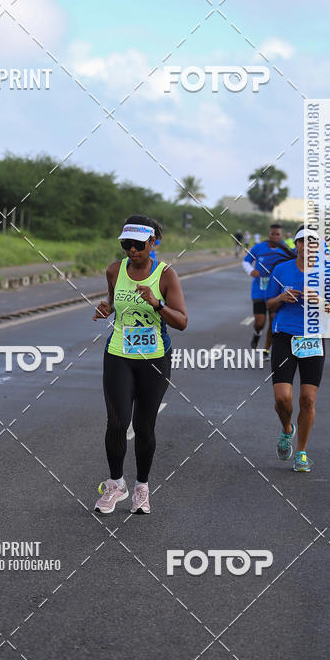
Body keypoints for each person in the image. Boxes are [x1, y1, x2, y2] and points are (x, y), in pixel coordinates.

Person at [92, 215, 188, 514]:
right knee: (117, 422)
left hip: (154, 358)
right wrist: (106, 308)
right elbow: (114, 303)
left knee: (144, 427)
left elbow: (182, 321)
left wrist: (156, 304)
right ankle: (115, 484)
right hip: (119, 354)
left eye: (137, 244)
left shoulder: (165, 275)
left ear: (152, 243)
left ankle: (142, 488)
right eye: (126, 244)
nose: (131, 250)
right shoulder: (114, 270)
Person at [265, 226, 330, 472]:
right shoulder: (281, 270)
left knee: (308, 399)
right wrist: (281, 298)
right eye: (302, 241)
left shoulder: (327, 274)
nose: (307, 246)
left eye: (312, 242)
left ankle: (301, 452)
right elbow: (268, 304)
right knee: (282, 399)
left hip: (313, 339)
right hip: (284, 337)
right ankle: (287, 428)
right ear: (297, 244)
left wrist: (320, 302)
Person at [242, 223, 294, 354]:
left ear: (281, 236)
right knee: (260, 322)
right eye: (272, 234)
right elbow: (246, 261)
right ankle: (257, 333)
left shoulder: (287, 249)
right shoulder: (259, 247)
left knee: (273, 321)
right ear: (269, 234)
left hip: (276, 292)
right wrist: (251, 271)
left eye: (278, 234)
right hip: (259, 290)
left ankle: (266, 349)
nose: (275, 236)